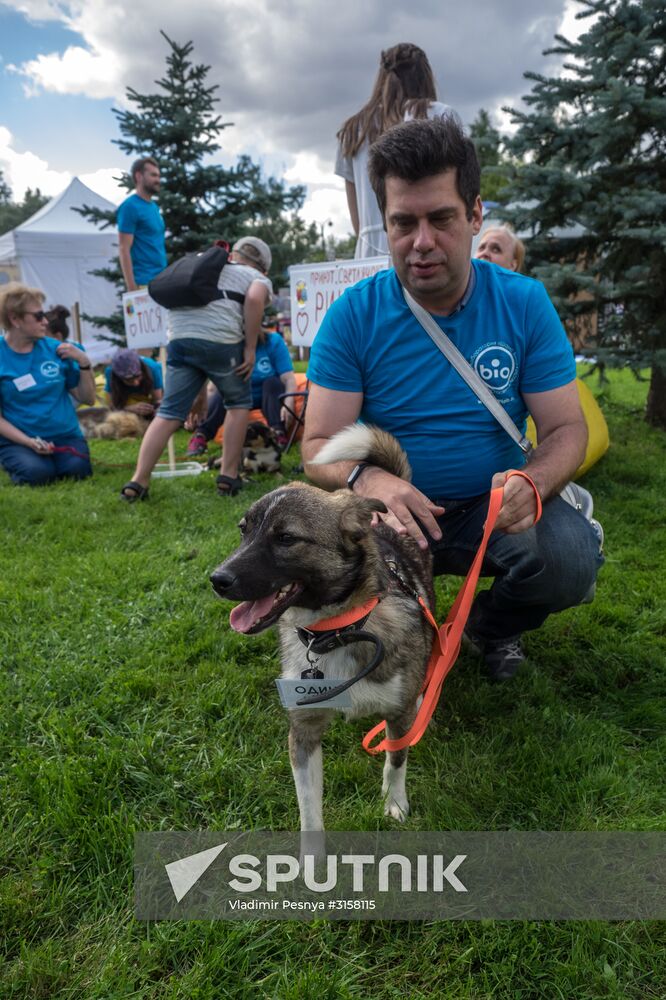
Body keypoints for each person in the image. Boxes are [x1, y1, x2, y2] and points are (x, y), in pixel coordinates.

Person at [303, 116, 603, 682]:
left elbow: (566, 430)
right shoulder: (352, 314)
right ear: (386, 224)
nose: (421, 242)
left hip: (494, 507)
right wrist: (369, 482)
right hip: (389, 515)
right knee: (327, 582)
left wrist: (531, 485)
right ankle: (388, 630)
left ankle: (487, 626)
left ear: (474, 216)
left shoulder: (523, 303)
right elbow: (317, 444)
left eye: (440, 219)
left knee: (570, 562)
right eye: (403, 223)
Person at [120, 236, 273, 502]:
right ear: (263, 267)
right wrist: (249, 347)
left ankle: (138, 481)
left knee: (169, 412)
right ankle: (228, 476)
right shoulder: (253, 275)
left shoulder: (203, 266)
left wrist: (200, 397)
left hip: (179, 338)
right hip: (222, 341)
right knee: (237, 405)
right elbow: (255, 298)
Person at [335, 42, 456, 259]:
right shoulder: (439, 115)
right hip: (424, 242)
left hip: (369, 251)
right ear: (425, 77)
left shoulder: (353, 130)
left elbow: (358, 220)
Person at [0, 283, 95, 485]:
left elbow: (88, 399)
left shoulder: (59, 350)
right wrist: (28, 442)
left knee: (77, 470)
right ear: (15, 319)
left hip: (65, 437)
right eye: (38, 316)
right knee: (38, 474)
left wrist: (84, 363)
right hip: (20, 440)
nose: (45, 321)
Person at [186, 325, 296, 453]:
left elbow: (288, 378)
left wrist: (289, 401)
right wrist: (201, 409)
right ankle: (201, 435)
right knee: (223, 390)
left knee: (272, 383)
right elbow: (213, 386)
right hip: (237, 394)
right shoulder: (226, 345)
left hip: (267, 395)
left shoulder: (273, 341)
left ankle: (278, 433)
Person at [117, 157, 167, 292]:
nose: (158, 180)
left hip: (161, 280)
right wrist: (132, 288)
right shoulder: (130, 207)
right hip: (142, 284)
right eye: (153, 175)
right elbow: (123, 249)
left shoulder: (154, 207)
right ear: (139, 176)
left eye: (158, 176)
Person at [104, 348, 163, 419]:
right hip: (125, 403)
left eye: (138, 376)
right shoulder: (111, 372)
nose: (136, 383)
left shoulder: (153, 368)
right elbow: (110, 406)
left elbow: (157, 400)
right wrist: (129, 409)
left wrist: (155, 409)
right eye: (129, 380)